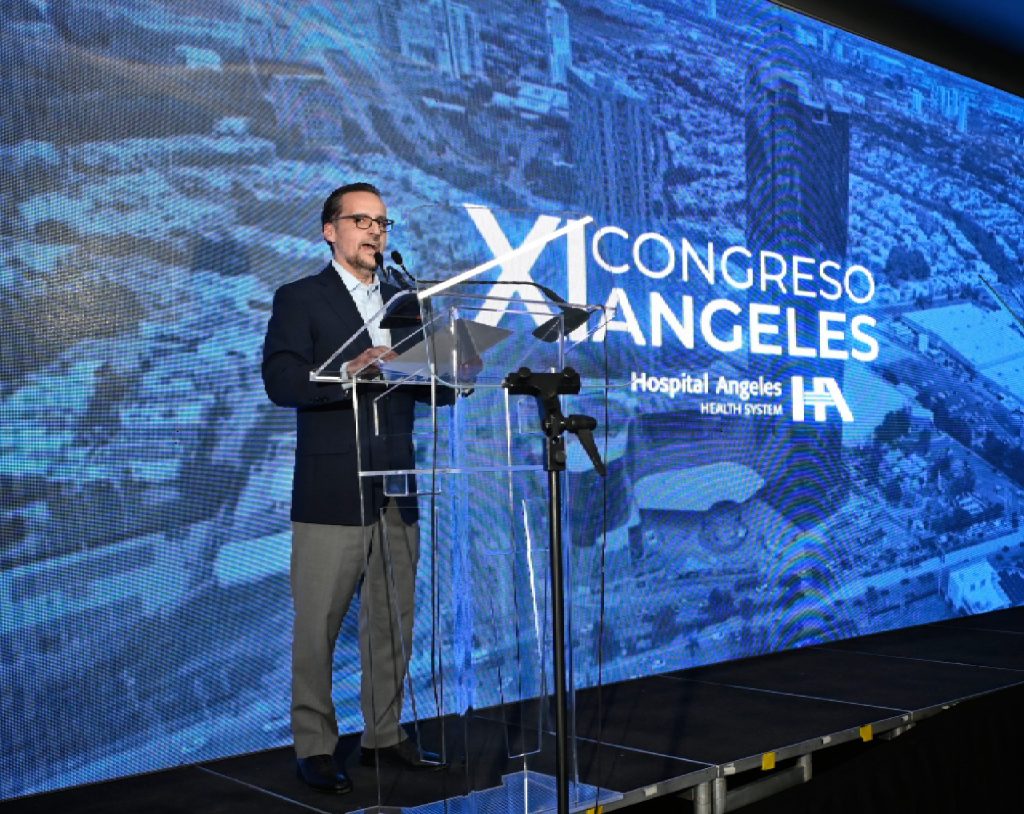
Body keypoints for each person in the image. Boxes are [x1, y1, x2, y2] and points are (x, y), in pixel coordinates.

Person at [262, 182, 440, 794]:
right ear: (329, 230)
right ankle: (314, 746)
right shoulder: (300, 298)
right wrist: (347, 371)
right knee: (319, 626)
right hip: (333, 487)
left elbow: (424, 385)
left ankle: (383, 735)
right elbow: (281, 379)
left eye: (382, 223)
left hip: (396, 483)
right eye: (362, 221)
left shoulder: (405, 302)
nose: (374, 232)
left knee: (393, 620)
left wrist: (450, 370)